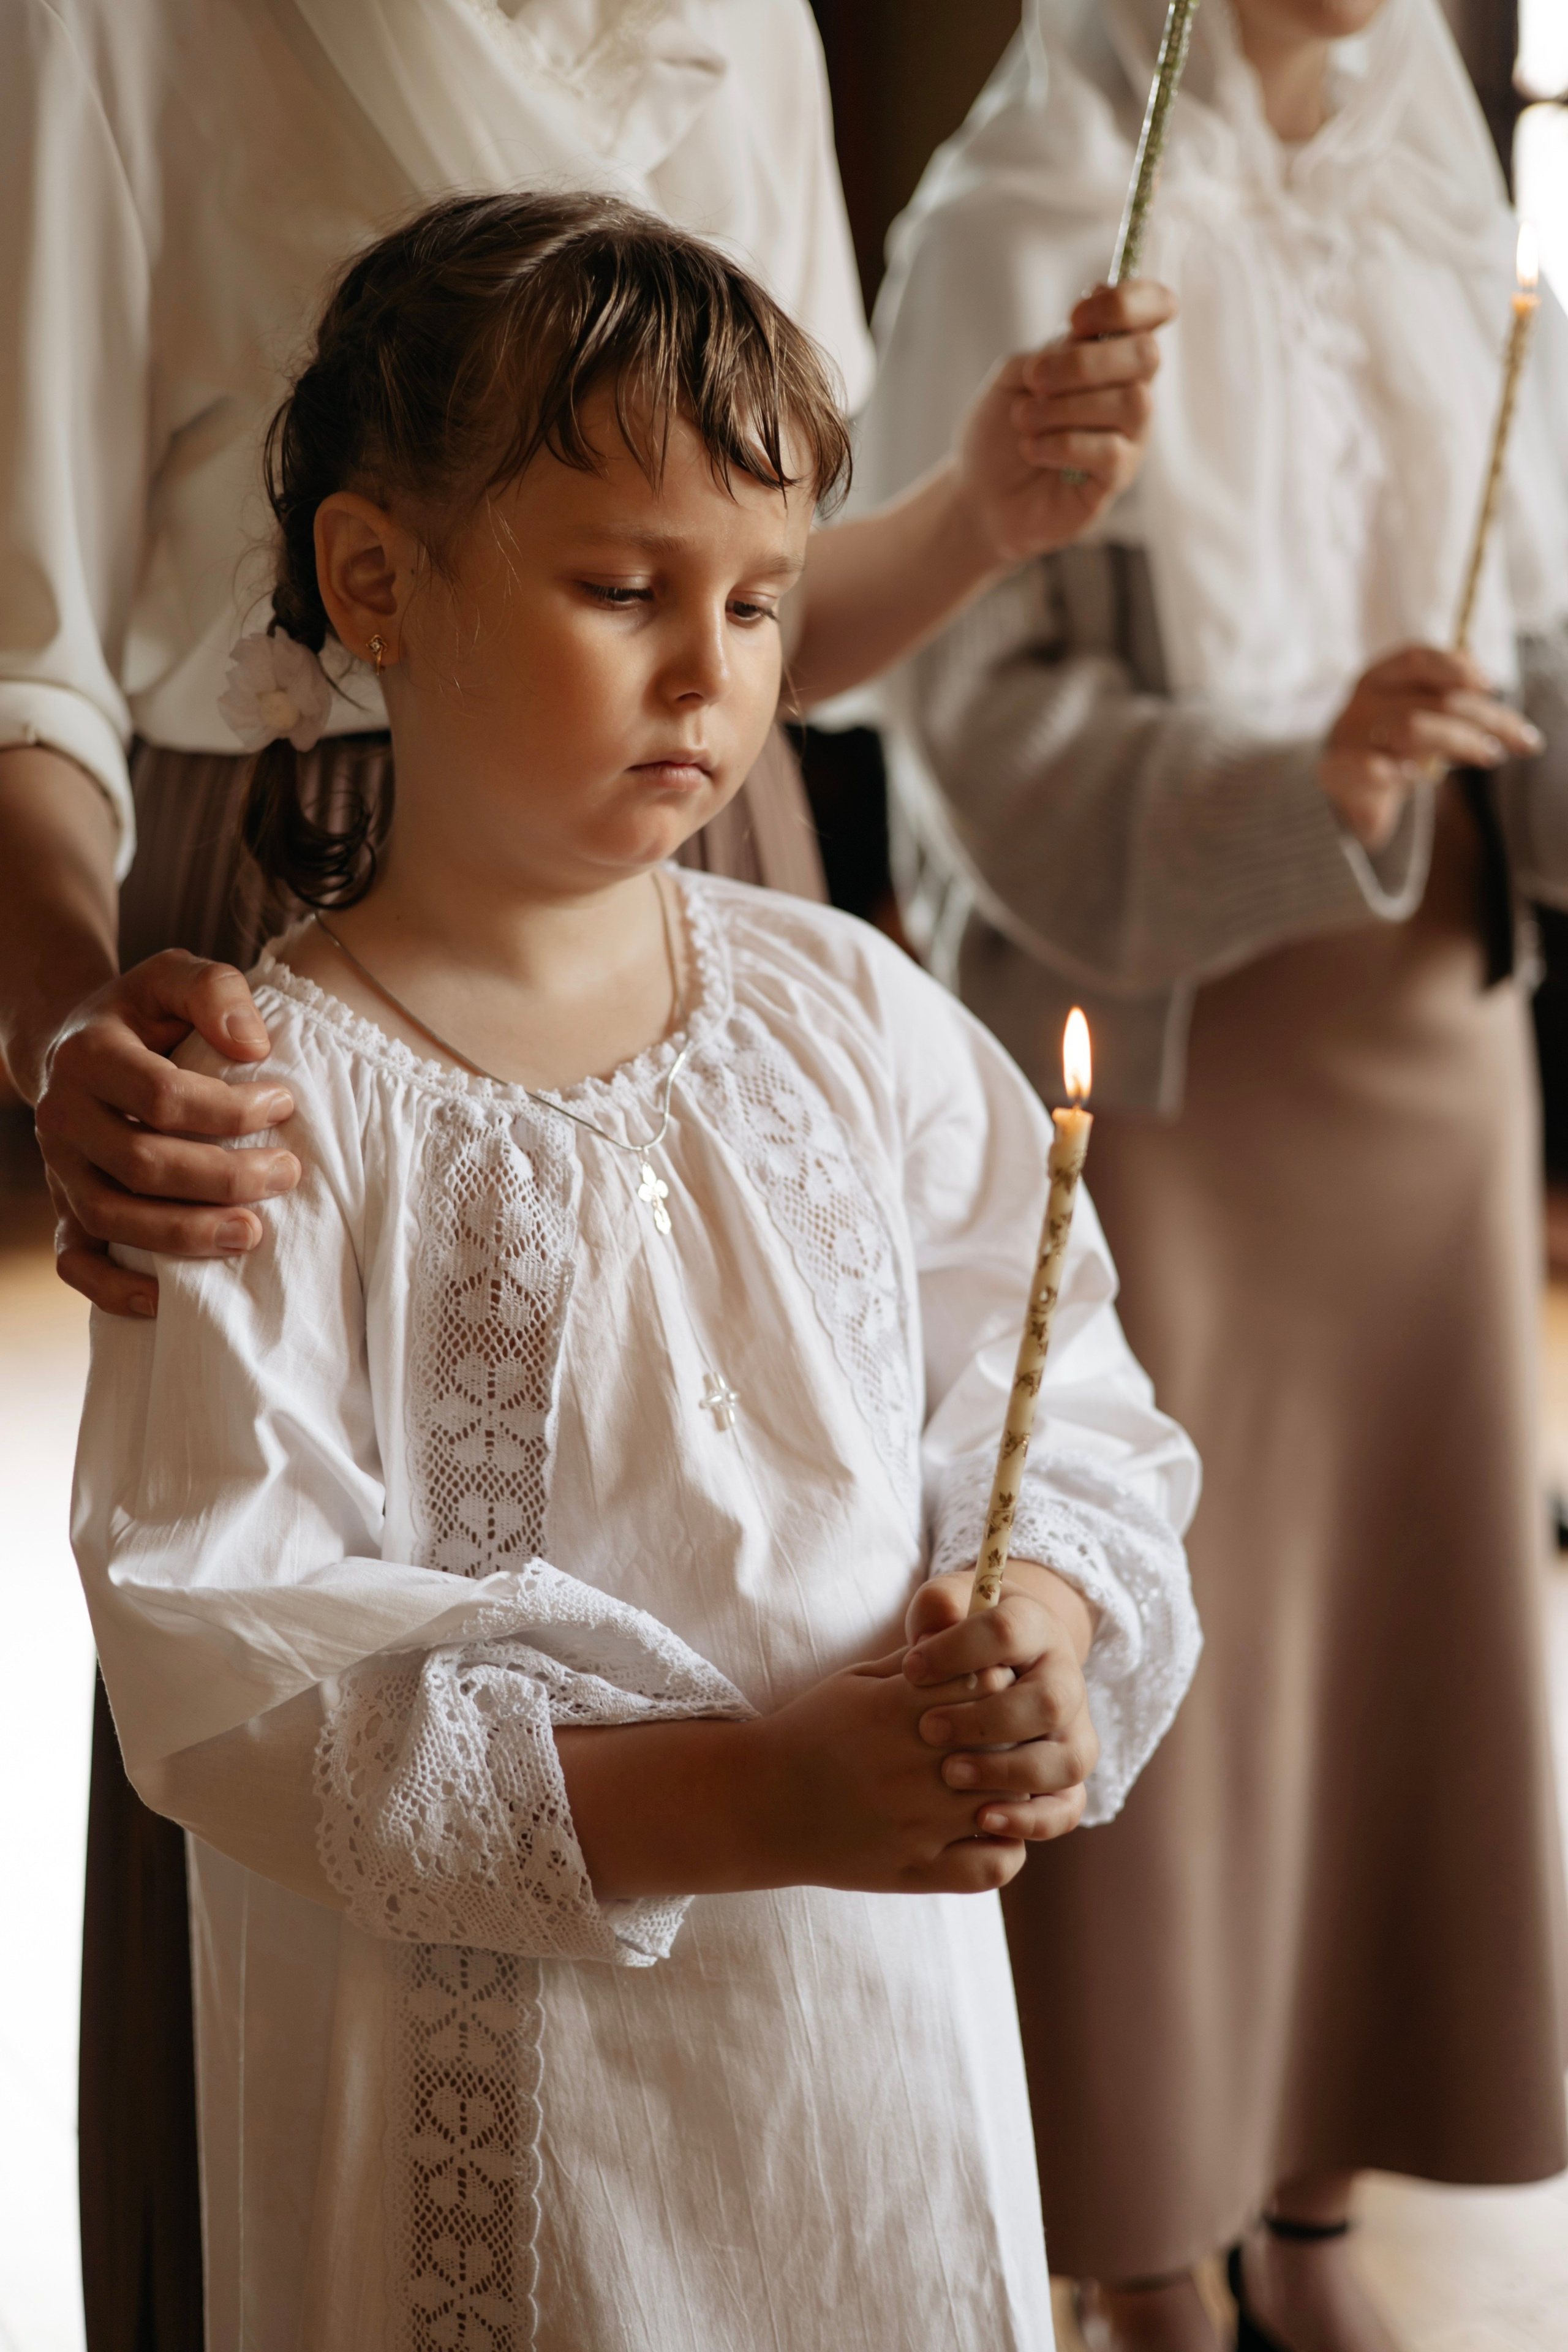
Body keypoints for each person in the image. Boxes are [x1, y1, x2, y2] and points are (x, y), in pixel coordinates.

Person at [0, 7, 1170, 2334]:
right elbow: (233, 1668)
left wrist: (1047, 1623)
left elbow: (1065, 1408)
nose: (715, 680)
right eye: (627, 599)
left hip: (857, 2082)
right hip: (489, 2149)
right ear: (378, 584)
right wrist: (751, 1803)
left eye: (747, 608)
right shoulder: (279, 1104)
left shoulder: (847, 1023)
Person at [855, 0, 1568, 2347]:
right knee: (1145, 1622)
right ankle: (1144, 2242)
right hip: (1156, 1046)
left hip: (1431, 1036)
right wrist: (1310, 773)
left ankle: (1329, 2210)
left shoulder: (1446, 185)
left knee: (1398, 1627)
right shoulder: (1020, 218)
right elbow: (971, 717)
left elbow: (1528, 590)